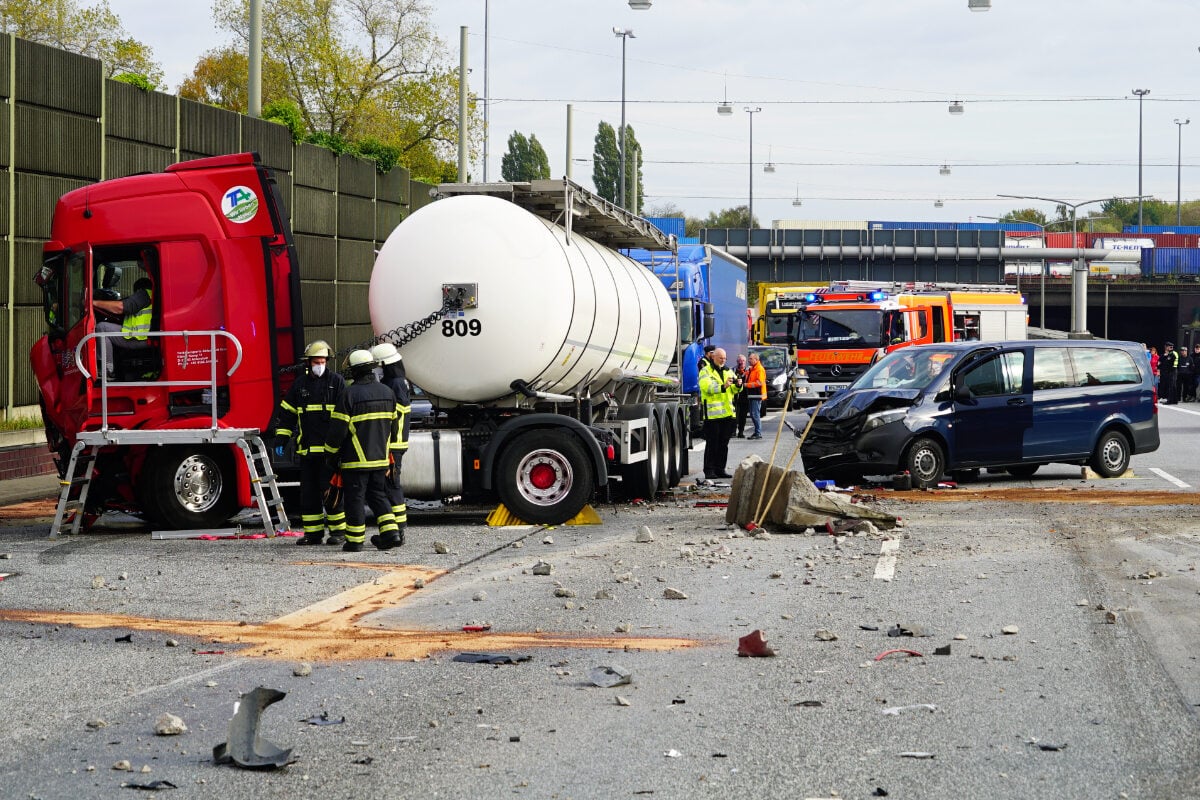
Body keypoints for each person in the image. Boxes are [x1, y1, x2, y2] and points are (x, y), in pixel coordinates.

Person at [324, 349, 400, 553]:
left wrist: (330, 455)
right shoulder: (387, 392)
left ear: (354, 371)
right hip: (380, 460)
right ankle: (391, 533)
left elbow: (337, 431)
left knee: (355, 499)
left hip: (355, 462)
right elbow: (393, 428)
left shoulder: (349, 394)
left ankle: (355, 541)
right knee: (378, 495)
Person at [273, 340, 347, 546]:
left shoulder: (337, 382)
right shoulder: (300, 385)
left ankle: (338, 532)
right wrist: (281, 438)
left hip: (329, 453)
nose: (320, 365)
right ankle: (313, 534)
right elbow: (287, 414)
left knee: (331, 492)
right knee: (309, 495)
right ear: (308, 363)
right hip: (307, 452)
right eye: (316, 361)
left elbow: (344, 417)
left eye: (323, 361)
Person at [368, 341, 411, 549]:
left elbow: (396, 415)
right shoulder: (398, 382)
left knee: (391, 486)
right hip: (396, 444)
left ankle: (397, 531)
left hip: (392, 445)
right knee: (390, 485)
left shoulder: (394, 384)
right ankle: (396, 530)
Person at [93, 275, 153, 379]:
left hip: (139, 337)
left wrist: (93, 302)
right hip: (143, 336)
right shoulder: (151, 295)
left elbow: (121, 307)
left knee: (102, 328)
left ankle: (107, 371)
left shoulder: (144, 294)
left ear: (139, 289)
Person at [698, 347, 737, 480]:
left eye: (725, 358)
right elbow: (706, 387)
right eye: (720, 358)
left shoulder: (728, 371)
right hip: (712, 416)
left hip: (727, 414)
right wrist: (722, 387)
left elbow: (736, 390)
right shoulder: (705, 371)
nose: (723, 360)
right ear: (713, 357)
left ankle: (720, 469)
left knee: (723, 444)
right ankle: (709, 470)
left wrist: (739, 385)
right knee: (712, 444)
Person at [744, 351, 767, 439]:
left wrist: (747, 385)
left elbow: (759, 383)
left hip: (757, 395)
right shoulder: (753, 368)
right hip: (753, 394)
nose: (749, 360)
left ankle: (758, 433)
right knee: (753, 414)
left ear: (756, 359)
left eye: (750, 359)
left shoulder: (759, 369)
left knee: (755, 414)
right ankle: (757, 432)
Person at [732, 353, 749, 437]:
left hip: (745, 396)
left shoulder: (748, 371)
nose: (741, 362)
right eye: (740, 360)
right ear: (737, 361)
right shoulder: (733, 371)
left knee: (743, 416)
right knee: (734, 415)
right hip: (735, 396)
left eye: (743, 361)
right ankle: (733, 431)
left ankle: (741, 432)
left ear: (745, 362)